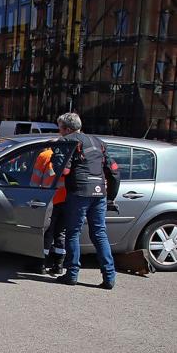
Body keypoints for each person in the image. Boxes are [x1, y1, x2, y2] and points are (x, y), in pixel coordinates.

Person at [55, 112, 120, 289]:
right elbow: (114, 171)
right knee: (99, 233)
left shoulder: (66, 141)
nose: (59, 132)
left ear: (67, 129)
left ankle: (72, 274)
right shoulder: (99, 142)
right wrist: (111, 196)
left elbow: (63, 170)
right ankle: (109, 277)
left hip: (79, 192)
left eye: (60, 128)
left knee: (73, 232)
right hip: (100, 193)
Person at [30, 147, 67, 275]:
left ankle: (41, 264)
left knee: (47, 232)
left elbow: (35, 180)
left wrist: (32, 197)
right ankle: (58, 265)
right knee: (61, 232)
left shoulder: (44, 155)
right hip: (67, 200)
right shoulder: (70, 154)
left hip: (50, 199)